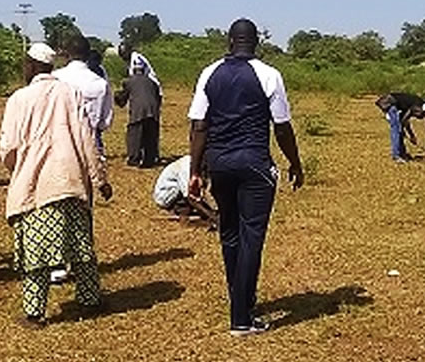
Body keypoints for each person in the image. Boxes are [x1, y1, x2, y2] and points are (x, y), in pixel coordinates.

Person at [187, 19, 304, 336]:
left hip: (220, 164)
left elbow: (199, 126)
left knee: (229, 232)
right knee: (252, 236)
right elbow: (281, 127)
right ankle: (241, 316)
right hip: (254, 165)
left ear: (229, 41)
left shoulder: (209, 73)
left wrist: (196, 170)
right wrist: (295, 163)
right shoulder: (269, 75)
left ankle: (240, 299)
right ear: (257, 43)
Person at [0, 43, 112, 327]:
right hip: (69, 181)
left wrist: (19, 170)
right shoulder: (71, 94)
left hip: (35, 187)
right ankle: (90, 300)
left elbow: (8, 150)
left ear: (32, 66)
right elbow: (86, 140)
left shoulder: (19, 99)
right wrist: (99, 178)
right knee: (81, 247)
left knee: (36, 254)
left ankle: (35, 312)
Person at [54, 35, 113, 156]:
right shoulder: (100, 83)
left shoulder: (55, 78)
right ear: (87, 55)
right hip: (90, 144)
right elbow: (106, 120)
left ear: (67, 54)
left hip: (58, 143)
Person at [115, 63, 162, 168]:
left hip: (138, 111)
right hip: (153, 112)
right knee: (151, 136)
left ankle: (134, 158)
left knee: (135, 134)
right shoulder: (152, 82)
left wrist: (117, 98)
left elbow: (123, 98)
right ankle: (150, 159)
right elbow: (158, 97)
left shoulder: (129, 82)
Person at [153, 155, 217, 228]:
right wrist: (212, 216)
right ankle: (179, 210)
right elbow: (190, 198)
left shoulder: (198, 164)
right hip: (164, 195)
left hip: (176, 190)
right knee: (189, 202)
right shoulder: (186, 169)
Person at [375, 92, 424, 163]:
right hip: (390, 104)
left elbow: (404, 121)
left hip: (391, 103)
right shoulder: (417, 104)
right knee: (396, 130)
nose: (417, 116)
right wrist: (411, 135)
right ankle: (396, 156)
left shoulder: (411, 105)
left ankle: (402, 153)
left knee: (399, 130)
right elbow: (405, 120)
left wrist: (410, 135)